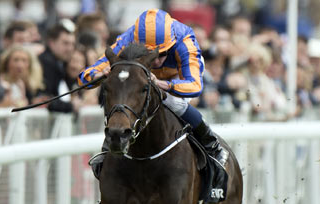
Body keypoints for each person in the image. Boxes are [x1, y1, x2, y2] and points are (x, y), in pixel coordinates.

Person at [78, 9, 223, 177]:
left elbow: (195, 86)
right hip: (143, 73)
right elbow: (84, 78)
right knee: (126, 94)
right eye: (150, 53)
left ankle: (211, 145)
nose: (156, 60)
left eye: (162, 53)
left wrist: (163, 84)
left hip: (177, 76)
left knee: (172, 102)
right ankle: (109, 148)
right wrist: (99, 75)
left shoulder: (184, 39)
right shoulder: (128, 38)